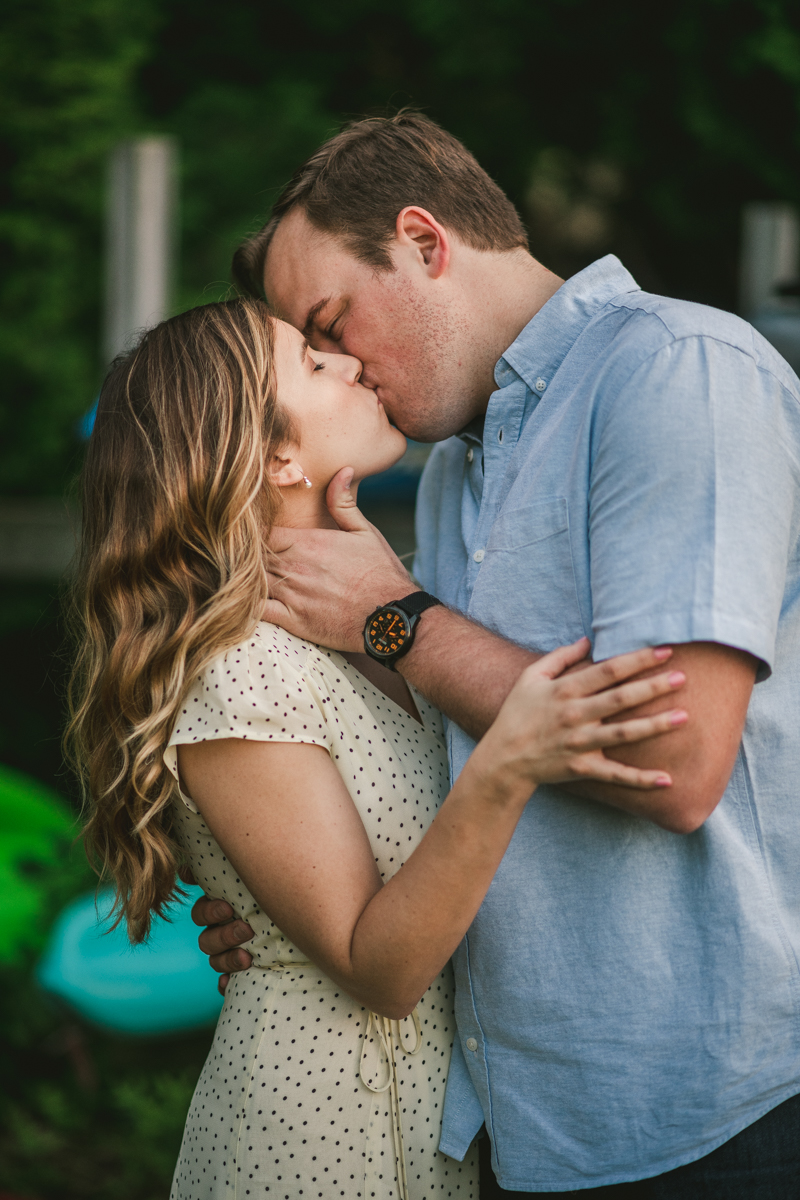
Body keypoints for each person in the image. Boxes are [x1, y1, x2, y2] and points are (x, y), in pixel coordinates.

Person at [194, 113, 800, 1197]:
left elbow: (671, 758)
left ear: (424, 242)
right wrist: (285, 897)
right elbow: (455, 749)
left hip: (712, 1114)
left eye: (330, 322)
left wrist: (394, 617)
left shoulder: (675, 373)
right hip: (520, 1133)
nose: (336, 365)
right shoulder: (449, 470)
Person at [67, 298, 686, 1200]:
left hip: (438, 1121)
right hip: (320, 1134)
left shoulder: (390, 612)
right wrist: (511, 756)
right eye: (315, 365)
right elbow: (382, 969)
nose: (351, 364)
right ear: (274, 456)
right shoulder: (238, 669)